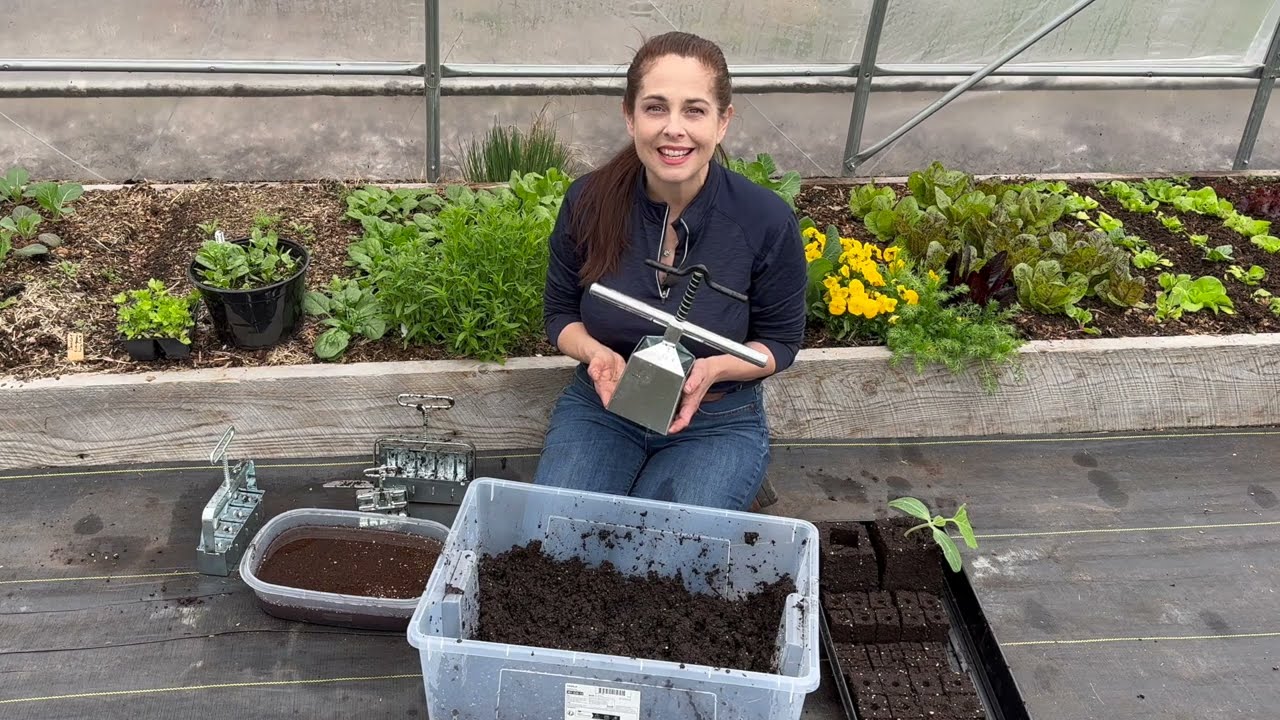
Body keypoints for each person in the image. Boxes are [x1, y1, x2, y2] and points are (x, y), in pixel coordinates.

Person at [532, 31, 808, 512]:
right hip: (607, 409)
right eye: (656, 107)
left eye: (694, 110)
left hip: (717, 419)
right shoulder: (588, 201)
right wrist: (597, 356)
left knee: (667, 557)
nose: (673, 129)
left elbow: (781, 343)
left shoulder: (764, 220)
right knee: (558, 538)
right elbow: (560, 313)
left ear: (723, 122)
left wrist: (716, 368)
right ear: (630, 116)